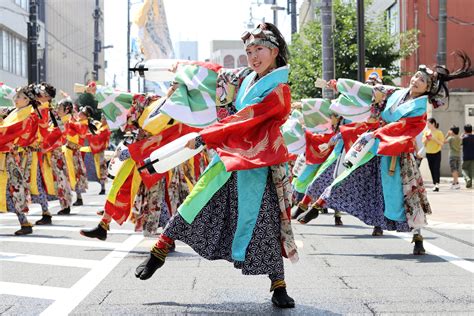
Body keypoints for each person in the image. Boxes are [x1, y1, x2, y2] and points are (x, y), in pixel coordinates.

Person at [135, 23, 298, 308]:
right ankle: (159, 251)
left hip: (259, 164)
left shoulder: (279, 91)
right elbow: (211, 75)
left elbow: (245, 118)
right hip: (226, 156)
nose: (253, 56)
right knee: (195, 201)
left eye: (259, 49)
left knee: (266, 222)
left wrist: (204, 136)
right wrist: (182, 75)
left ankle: (278, 285)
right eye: (248, 51)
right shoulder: (245, 78)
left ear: (274, 52)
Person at [297, 51, 473, 255]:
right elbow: (369, 91)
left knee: (407, 195)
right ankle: (318, 206)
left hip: (396, 152)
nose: (416, 80)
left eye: (422, 80)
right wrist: (340, 86)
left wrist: (378, 132)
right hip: (375, 144)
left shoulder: (418, 110)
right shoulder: (396, 92)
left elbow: (402, 127)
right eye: (416, 76)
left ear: (428, 89)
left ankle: (417, 236)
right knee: (347, 175)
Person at [0, 85, 39, 235]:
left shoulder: (27, 115)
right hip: (6, 154)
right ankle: (24, 222)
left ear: (27, 100)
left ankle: (25, 222)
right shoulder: (17, 112)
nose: (15, 99)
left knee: (13, 189)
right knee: (10, 189)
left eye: (19, 97)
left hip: (9, 157)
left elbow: (9, 131)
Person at [423, 118, 445, 192]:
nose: (427, 125)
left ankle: (437, 184)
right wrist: (427, 139)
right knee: (431, 169)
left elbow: (442, 144)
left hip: (437, 153)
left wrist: (433, 138)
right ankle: (434, 184)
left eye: (428, 123)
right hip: (429, 153)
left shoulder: (439, 132)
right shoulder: (426, 132)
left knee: (436, 168)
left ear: (433, 124)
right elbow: (424, 144)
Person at [444, 125, 462, 189]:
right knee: (456, 169)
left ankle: (456, 183)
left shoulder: (451, 138)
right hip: (458, 155)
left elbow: (443, 141)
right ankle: (454, 183)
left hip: (452, 155)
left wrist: (447, 135)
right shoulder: (459, 138)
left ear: (452, 131)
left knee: (453, 169)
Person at [462, 123, 474, 188]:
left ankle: (467, 178)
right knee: (471, 171)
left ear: (465, 130)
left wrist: (462, 135)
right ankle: (469, 184)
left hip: (466, 156)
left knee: (463, 169)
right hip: (473, 157)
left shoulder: (464, 138)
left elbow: (460, 144)